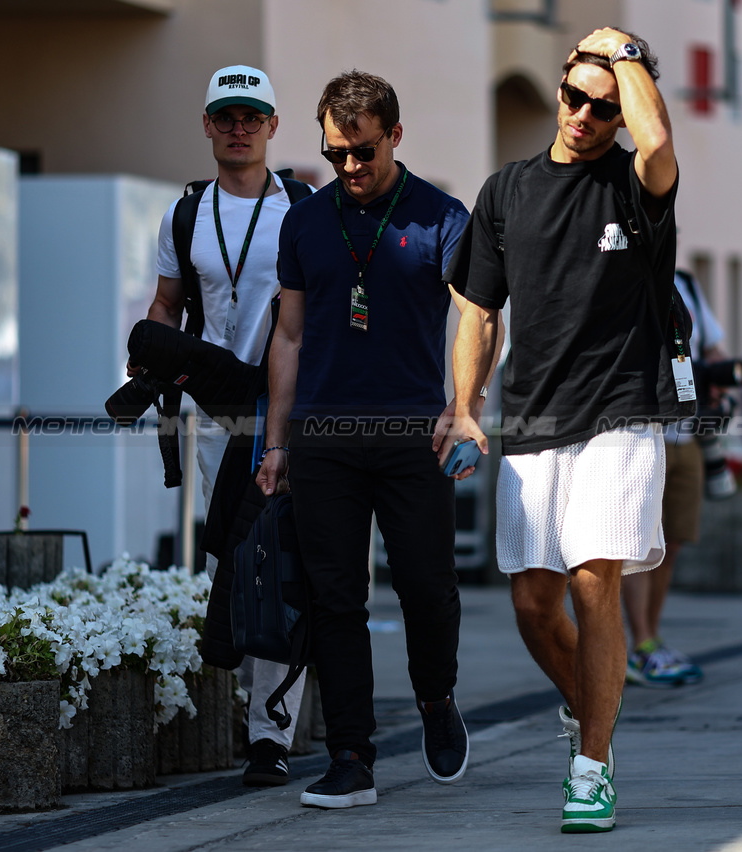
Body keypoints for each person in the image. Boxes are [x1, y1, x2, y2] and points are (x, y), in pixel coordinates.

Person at [443, 28, 680, 833]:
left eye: (603, 108)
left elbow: (657, 139)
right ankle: (592, 712)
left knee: (593, 577)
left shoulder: (638, 184)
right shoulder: (505, 191)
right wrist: (464, 406)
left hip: (621, 407)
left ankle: (592, 767)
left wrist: (626, 59)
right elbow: (478, 310)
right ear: (557, 93)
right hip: (534, 417)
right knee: (533, 603)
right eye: (575, 96)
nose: (585, 115)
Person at [256, 70, 483, 809]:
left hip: (413, 435)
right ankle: (350, 754)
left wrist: (464, 405)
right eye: (335, 153)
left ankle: (435, 699)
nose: (349, 168)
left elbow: (480, 316)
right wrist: (277, 442)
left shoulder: (442, 215)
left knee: (427, 586)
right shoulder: (306, 220)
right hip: (322, 437)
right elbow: (287, 337)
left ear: (394, 136)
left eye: (363, 152)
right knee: (334, 598)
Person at [141, 64, 307, 787]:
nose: (239, 128)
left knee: (276, 565)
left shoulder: (302, 210)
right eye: (226, 116)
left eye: (253, 116)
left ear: (273, 126)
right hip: (217, 418)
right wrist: (155, 361)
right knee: (228, 568)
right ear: (208, 125)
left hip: (283, 412)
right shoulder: (184, 215)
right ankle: (251, 712)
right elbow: (166, 305)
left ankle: (271, 737)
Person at [622, 269, 726, 687]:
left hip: (688, 433)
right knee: (641, 541)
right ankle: (640, 645)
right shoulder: (626, 272)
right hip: (644, 430)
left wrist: (716, 379)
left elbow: (713, 349)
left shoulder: (688, 284)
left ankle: (650, 638)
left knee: (672, 541)